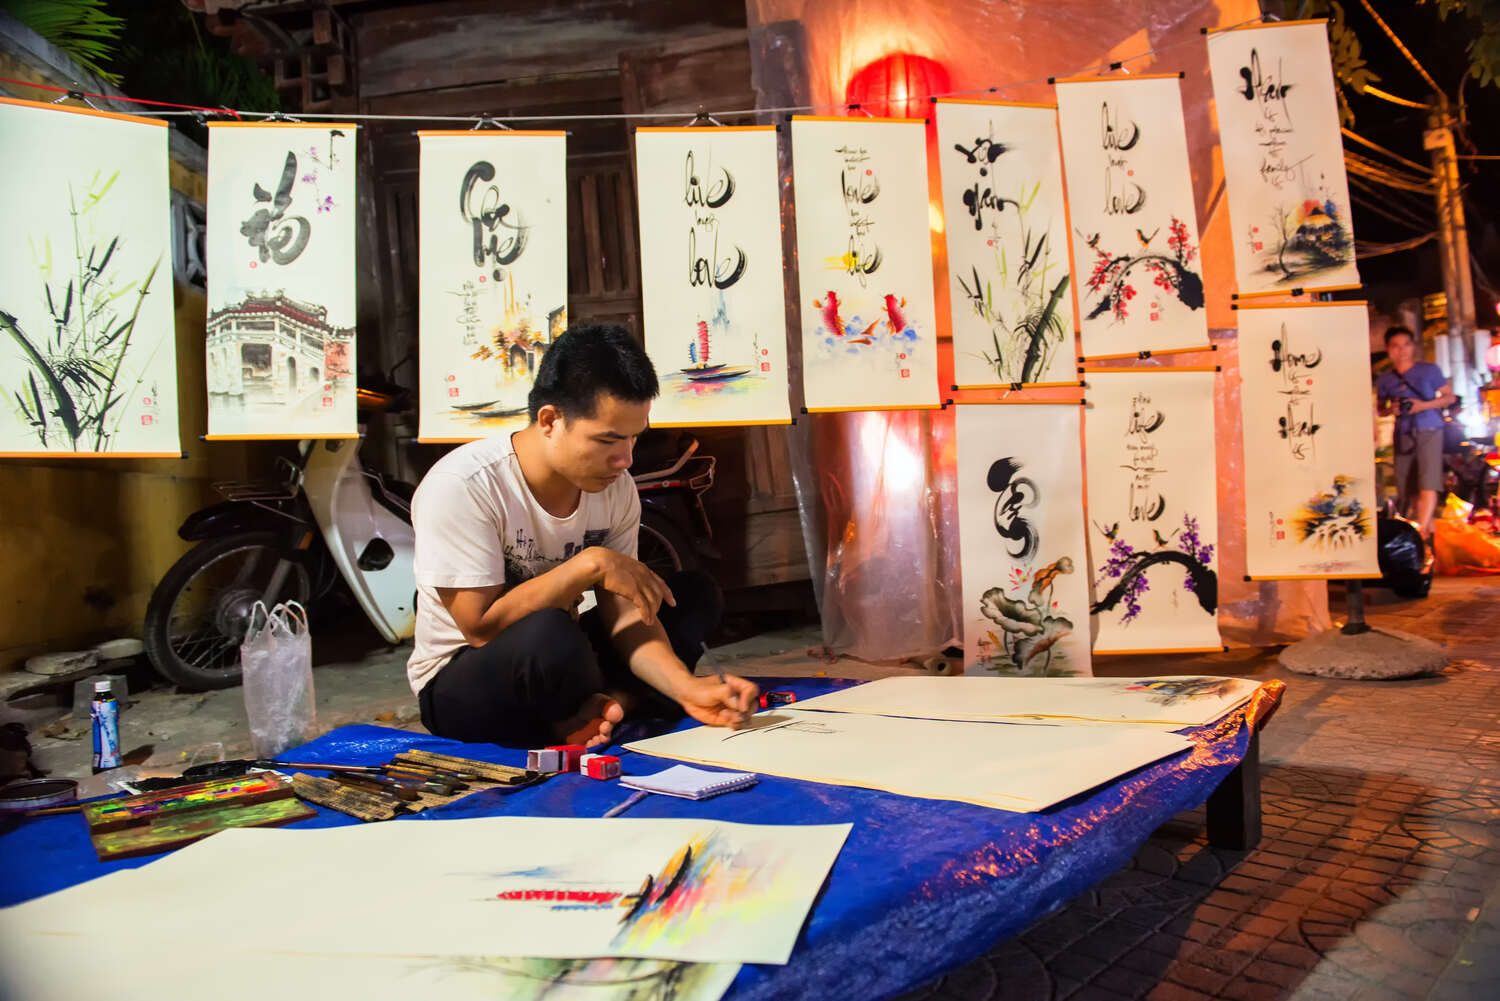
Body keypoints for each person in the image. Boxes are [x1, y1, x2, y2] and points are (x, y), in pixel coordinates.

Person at [407, 324, 759, 748]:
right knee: (549, 635)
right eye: (608, 439)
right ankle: (606, 705)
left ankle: (598, 708)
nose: (624, 458)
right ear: (551, 420)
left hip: (564, 659)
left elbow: (626, 615)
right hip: (468, 678)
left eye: (633, 437)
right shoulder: (464, 484)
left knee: (687, 595)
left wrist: (688, 689)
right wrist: (591, 565)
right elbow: (480, 627)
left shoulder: (616, 487)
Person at [1376, 326, 1456, 540]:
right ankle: (1427, 532)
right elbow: (1380, 409)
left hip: (1429, 428)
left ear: (1412, 347)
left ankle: (1420, 532)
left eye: (1406, 345)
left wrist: (1423, 405)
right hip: (1403, 432)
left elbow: (1449, 397)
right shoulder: (1385, 379)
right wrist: (1390, 409)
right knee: (1408, 485)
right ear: (1389, 350)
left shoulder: (1429, 370)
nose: (1402, 350)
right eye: (1396, 346)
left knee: (1428, 481)